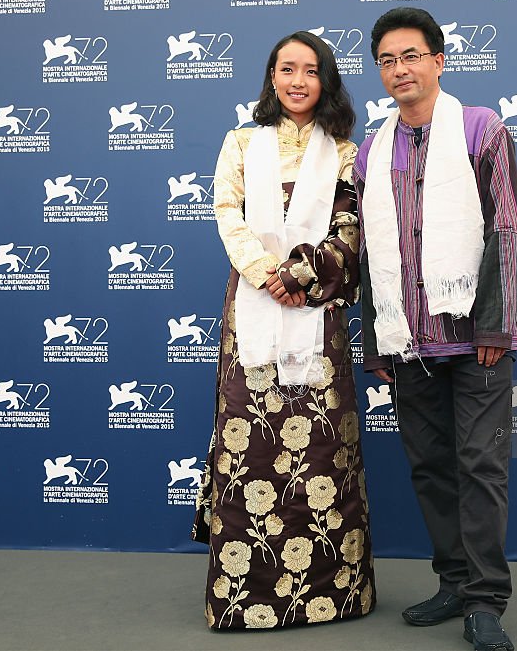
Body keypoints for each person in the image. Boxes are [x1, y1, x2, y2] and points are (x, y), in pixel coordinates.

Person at [353, 8, 517, 651]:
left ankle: (485, 602)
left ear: (439, 60)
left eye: (412, 55)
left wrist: (495, 325)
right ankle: (453, 581)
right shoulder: (373, 147)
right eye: (388, 60)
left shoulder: (482, 129)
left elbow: (505, 228)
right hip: (407, 340)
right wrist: (375, 335)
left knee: (481, 465)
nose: (401, 69)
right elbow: (372, 249)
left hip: (475, 338)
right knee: (430, 466)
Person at [193, 31, 375, 630]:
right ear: (271, 77)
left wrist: (299, 276)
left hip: (318, 312)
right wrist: (268, 275)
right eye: (286, 69)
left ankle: (337, 593)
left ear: (327, 80)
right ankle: (245, 599)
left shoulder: (347, 153)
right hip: (252, 309)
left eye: (310, 70)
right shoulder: (240, 143)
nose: (298, 81)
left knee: (325, 446)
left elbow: (351, 229)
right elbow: (227, 213)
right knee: (251, 443)